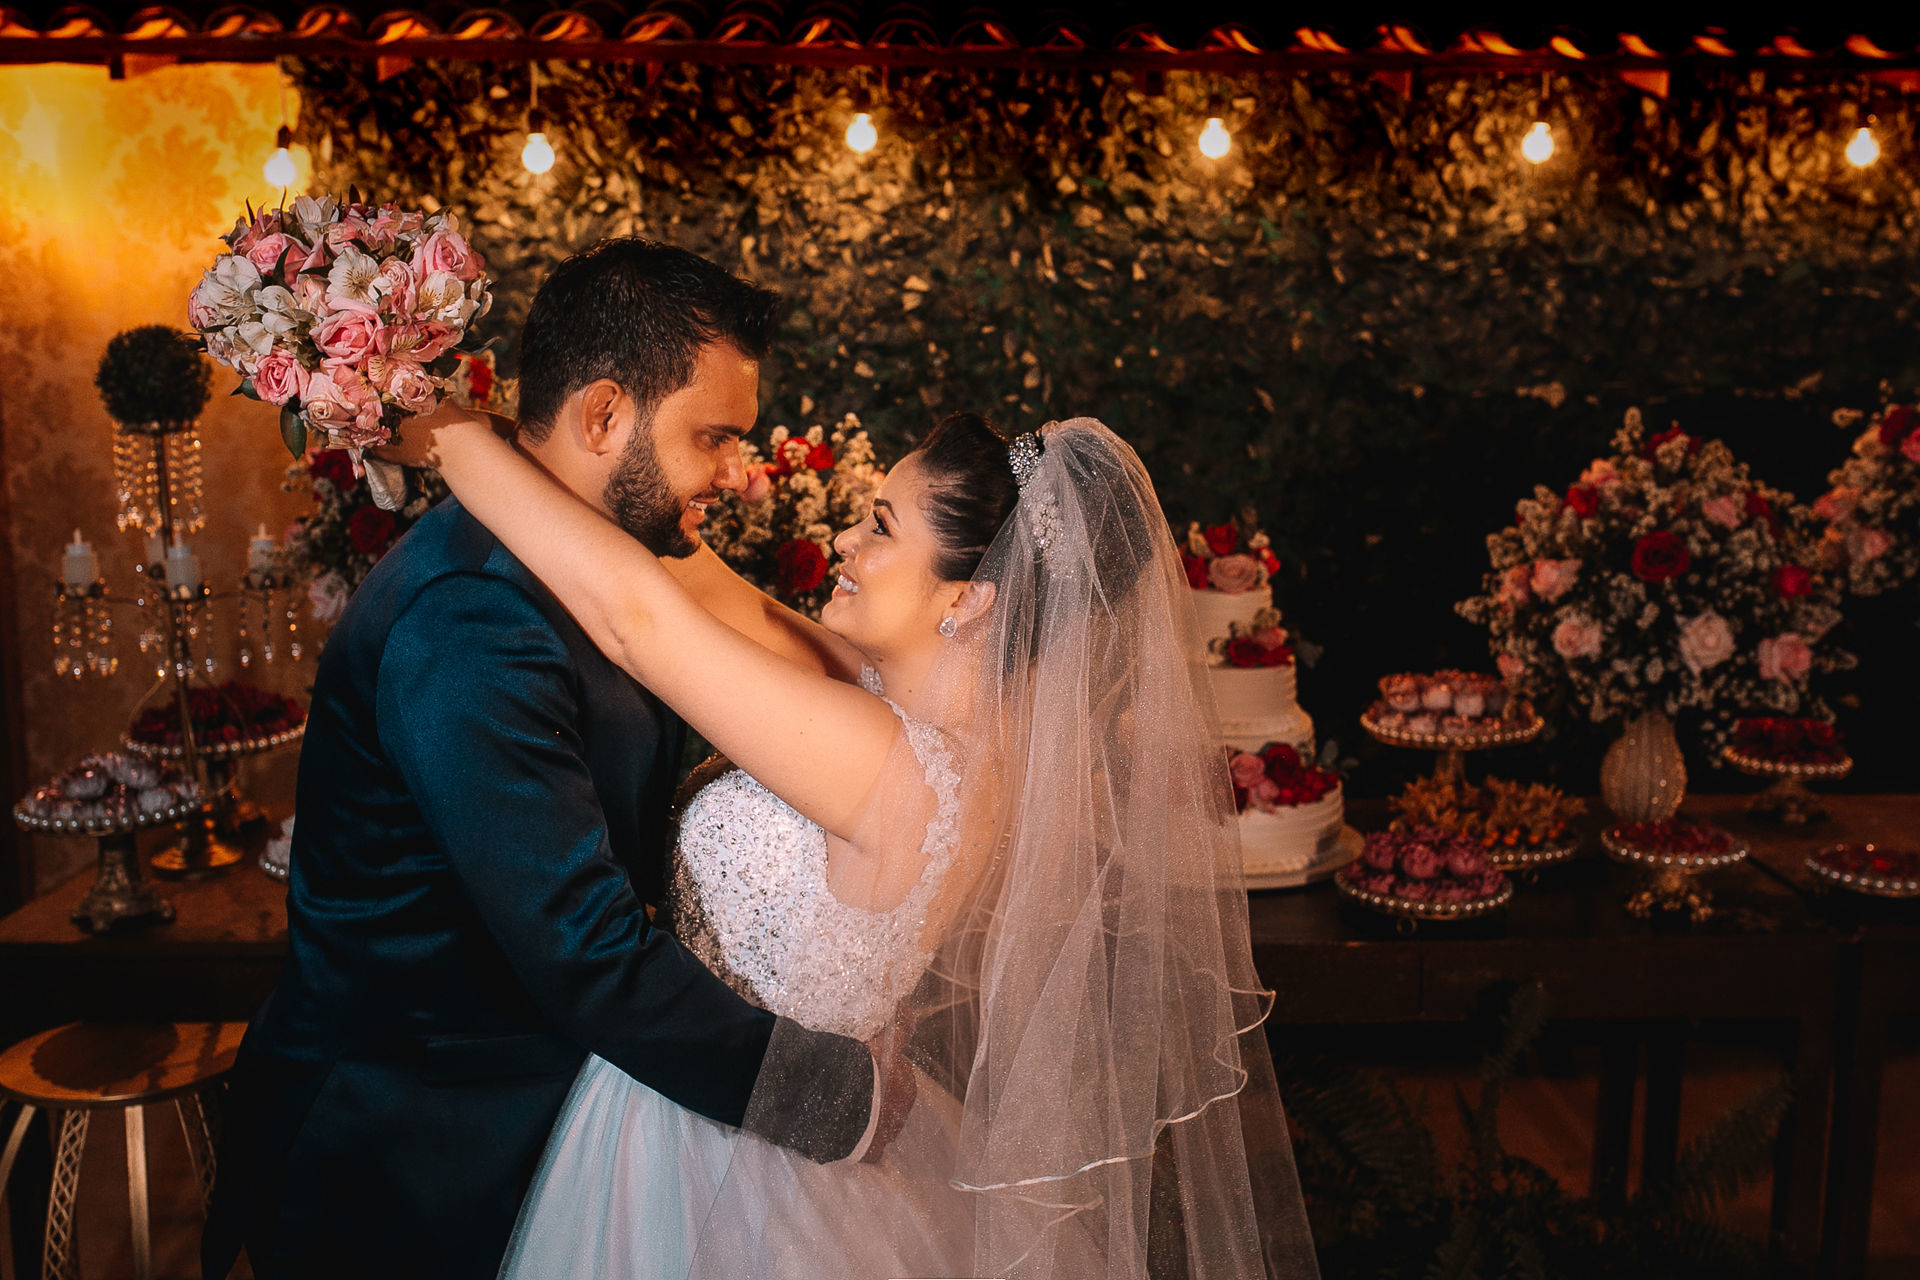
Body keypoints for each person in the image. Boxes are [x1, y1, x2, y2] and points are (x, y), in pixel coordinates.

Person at [385, 380, 1322, 1276]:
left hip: (725, 1151)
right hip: (775, 1106)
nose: (842, 537)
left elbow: (641, 622)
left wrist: (440, 430)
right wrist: (524, 426)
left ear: (970, 596)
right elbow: (707, 588)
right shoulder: (912, 720)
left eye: (880, 527)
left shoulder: (887, 763)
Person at [202, 240, 893, 1280]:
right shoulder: (473, 619)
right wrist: (837, 1100)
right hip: (415, 1157)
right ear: (605, 412)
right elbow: (585, 948)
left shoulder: (602, 561)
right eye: (714, 437)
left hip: (544, 1118)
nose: (737, 473)